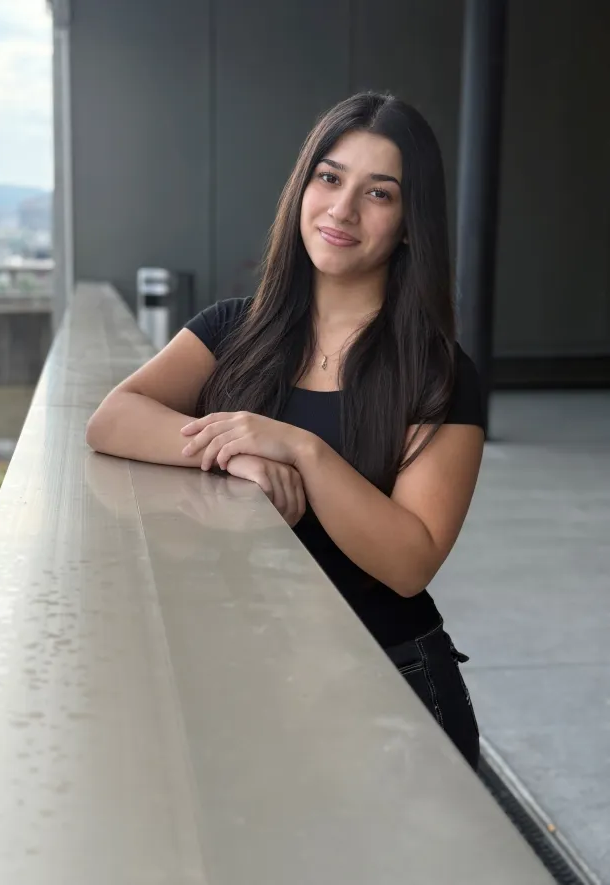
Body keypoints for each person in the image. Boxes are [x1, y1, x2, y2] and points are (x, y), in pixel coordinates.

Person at [86, 92, 485, 769]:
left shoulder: (437, 372)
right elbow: (112, 419)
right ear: (302, 187)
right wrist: (235, 454)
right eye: (328, 178)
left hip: (388, 684)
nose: (341, 209)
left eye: (378, 193)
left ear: (409, 224)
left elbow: (409, 561)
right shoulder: (233, 330)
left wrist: (301, 449)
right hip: (244, 671)